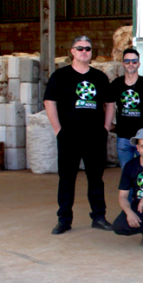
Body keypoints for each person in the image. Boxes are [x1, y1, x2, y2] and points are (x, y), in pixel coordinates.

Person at [44, 35, 114, 234]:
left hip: (94, 137)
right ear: (72, 52)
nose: (84, 51)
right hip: (69, 137)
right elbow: (50, 102)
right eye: (80, 48)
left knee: (96, 178)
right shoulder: (60, 76)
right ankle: (64, 219)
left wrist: (106, 128)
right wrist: (58, 129)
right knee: (66, 178)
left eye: (88, 49)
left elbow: (110, 103)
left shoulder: (99, 77)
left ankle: (99, 216)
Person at [112, 48, 143, 169]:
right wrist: (108, 124)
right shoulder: (116, 84)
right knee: (126, 174)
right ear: (123, 63)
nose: (131, 64)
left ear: (139, 64)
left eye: (134, 61)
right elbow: (107, 103)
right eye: (127, 61)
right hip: (123, 137)